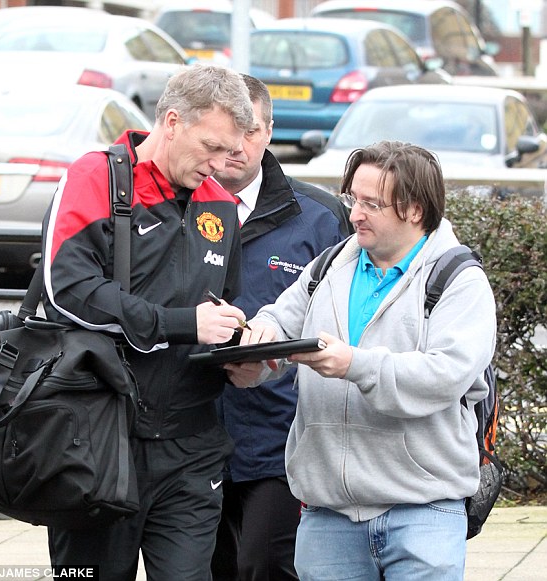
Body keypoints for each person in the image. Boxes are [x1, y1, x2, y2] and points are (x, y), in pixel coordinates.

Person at [226, 141, 497, 580]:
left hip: (423, 512)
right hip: (326, 516)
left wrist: (356, 364)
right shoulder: (329, 265)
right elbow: (280, 316)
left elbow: (445, 375)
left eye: (371, 203)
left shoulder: (459, 280)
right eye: (353, 198)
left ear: (413, 209)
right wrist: (258, 347)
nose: (354, 214)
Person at [43, 64, 255, 581]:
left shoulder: (221, 206)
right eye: (211, 146)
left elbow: (218, 312)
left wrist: (244, 355)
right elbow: (66, 292)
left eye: (229, 152)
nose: (220, 164)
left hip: (191, 448)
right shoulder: (97, 175)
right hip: (97, 442)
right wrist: (182, 324)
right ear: (173, 121)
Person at [211, 75, 353, 581]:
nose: (234, 144)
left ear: (269, 131)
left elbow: (348, 324)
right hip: (191, 437)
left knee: (266, 566)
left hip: (281, 438)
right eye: (224, 130)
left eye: (248, 129)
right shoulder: (170, 212)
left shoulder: (319, 218)